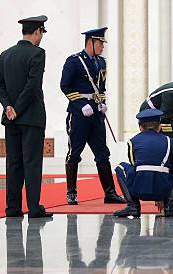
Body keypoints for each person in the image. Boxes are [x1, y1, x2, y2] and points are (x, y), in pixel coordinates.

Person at [0, 15, 52, 218]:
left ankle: (13, 208)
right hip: (32, 118)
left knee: (13, 163)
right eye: (41, 33)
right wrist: (17, 108)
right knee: (32, 162)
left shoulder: (5, 55)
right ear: (37, 31)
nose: (41, 37)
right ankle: (34, 208)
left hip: (11, 119)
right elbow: (32, 86)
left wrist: (8, 106)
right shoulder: (38, 54)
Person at [60, 27, 125, 206]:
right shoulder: (74, 61)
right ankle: (71, 193)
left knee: (102, 153)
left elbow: (101, 88)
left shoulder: (101, 63)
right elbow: (65, 86)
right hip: (79, 115)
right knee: (74, 152)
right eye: (100, 43)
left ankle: (110, 192)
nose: (103, 46)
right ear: (91, 42)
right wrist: (82, 105)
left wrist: (101, 104)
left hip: (96, 115)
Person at [113, 109, 173, 218]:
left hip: (139, 190)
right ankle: (169, 206)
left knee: (121, 167)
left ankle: (133, 205)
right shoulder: (170, 141)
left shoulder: (132, 141)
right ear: (159, 127)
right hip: (163, 189)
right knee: (170, 168)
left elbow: (134, 167)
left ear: (140, 127)